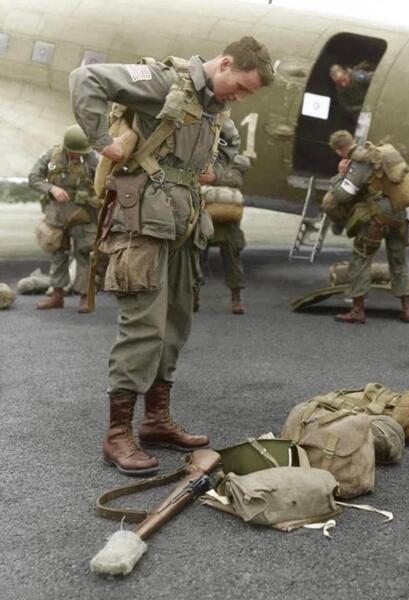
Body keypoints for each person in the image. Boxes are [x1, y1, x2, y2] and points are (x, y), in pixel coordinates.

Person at [69, 36, 274, 475]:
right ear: (224, 64)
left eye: (248, 93)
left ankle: (156, 420)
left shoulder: (216, 106)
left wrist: (216, 168)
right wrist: (103, 142)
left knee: (175, 323)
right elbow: (86, 79)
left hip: (185, 224)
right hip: (143, 222)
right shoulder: (163, 81)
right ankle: (117, 435)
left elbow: (229, 144)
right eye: (240, 86)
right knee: (142, 326)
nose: (240, 97)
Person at [324, 130, 409, 324]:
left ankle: (357, 311)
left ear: (339, 151)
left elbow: (343, 196)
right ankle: (407, 309)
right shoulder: (381, 153)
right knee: (398, 261)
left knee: (361, 259)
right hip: (399, 215)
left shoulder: (360, 162)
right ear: (354, 140)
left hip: (378, 218)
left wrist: (340, 175)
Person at [28, 125, 98, 313]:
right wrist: (52, 189)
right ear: (67, 147)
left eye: (81, 152)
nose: (77, 155)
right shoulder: (51, 156)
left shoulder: (93, 158)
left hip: (83, 213)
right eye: (74, 152)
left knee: (85, 254)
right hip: (57, 213)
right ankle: (57, 296)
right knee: (57, 253)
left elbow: (106, 179)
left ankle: (85, 297)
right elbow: (33, 178)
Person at [197, 118, 250, 315]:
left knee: (232, 261)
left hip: (228, 220)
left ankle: (236, 298)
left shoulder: (234, 162)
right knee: (196, 260)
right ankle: (194, 295)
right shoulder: (200, 157)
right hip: (204, 217)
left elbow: (235, 179)